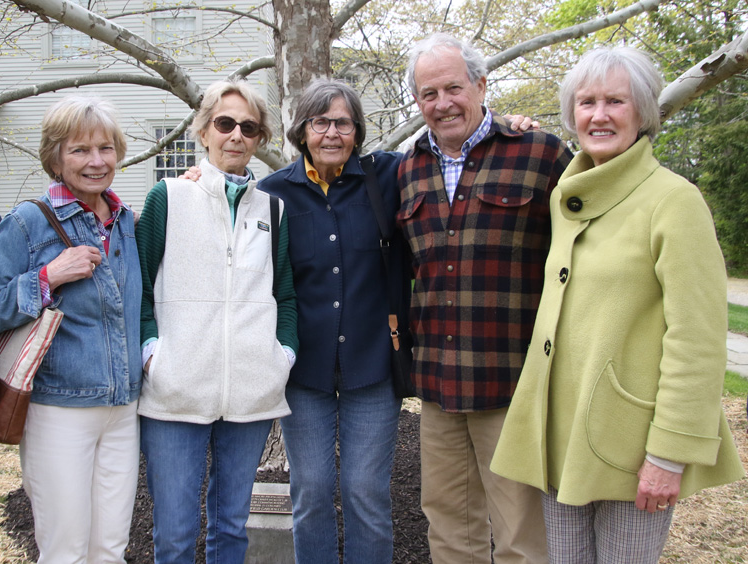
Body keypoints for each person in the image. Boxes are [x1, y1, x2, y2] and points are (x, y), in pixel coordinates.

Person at [491, 46, 745, 563]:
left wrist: (669, 453)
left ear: (644, 111)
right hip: (556, 437)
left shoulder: (674, 200)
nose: (599, 115)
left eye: (615, 101)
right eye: (586, 102)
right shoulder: (569, 193)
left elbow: (696, 338)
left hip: (631, 445)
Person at [395, 33, 573, 564]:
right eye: (429, 93)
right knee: (449, 529)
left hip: (512, 383)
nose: (442, 103)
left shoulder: (541, 154)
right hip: (437, 387)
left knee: (521, 534)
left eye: (453, 87)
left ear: (481, 84)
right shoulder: (406, 169)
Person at [135, 77, 297, 564]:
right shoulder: (167, 197)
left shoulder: (273, 208)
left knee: (231, 529)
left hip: (250, 391)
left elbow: (284, 293)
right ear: (203, 131)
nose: (236, 136)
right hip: (174, 390)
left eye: (249, 128)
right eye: (225, 123)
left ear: (259, 139)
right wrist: (152, 355)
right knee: (175, 535)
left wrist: (281, 356)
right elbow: (140, 286)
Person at [0, 96, 142, 563]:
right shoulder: (27, 224)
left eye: (106, 148)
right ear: (55, 157)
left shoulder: (127, 222)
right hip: (59, 409)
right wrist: (47, 277)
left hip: (123, 408)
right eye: (80, 150)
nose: (96, 161)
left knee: (110, 547)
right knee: (64, 548)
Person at [256, 78, 406, 563]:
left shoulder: (387, 178)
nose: (332, 133)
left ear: (357, 131)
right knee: (312, 492)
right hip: (305, 373)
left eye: (343, 123)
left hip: (372, 367)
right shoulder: (272, 194)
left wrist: (511, 125)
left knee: (366, 492)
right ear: (303, 129)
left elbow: (448, 156)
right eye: (321, 122)